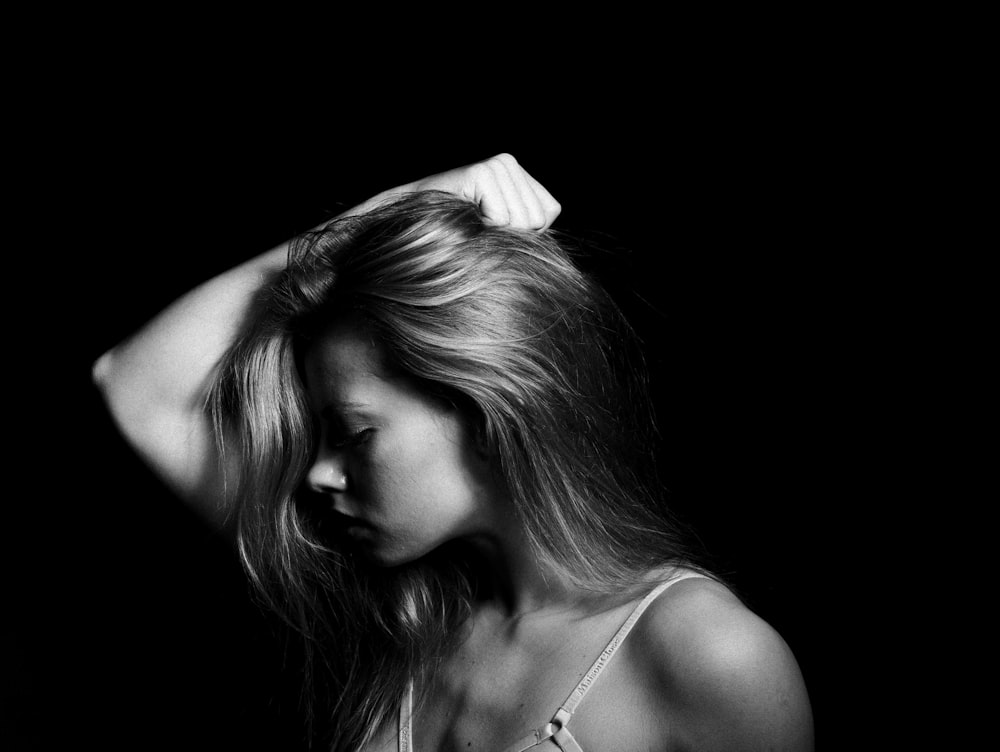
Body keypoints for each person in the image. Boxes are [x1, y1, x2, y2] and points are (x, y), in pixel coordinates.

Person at [92, 154, 814, 751]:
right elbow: (132, 383)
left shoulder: (707, 656)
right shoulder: (389, 618)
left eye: (353, 433)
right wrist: (402, 207)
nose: (317, 473)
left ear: (482, 405)